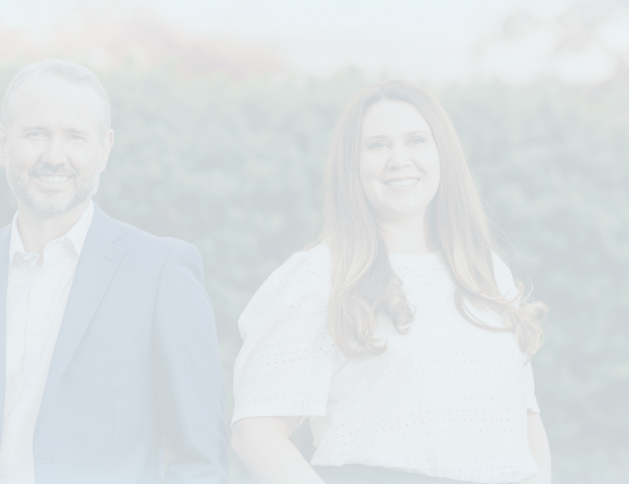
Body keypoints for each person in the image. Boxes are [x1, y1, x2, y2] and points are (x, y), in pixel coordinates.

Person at [0, 59, 230, 484]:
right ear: (2, 142)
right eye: (36, 134)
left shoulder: (161, 273)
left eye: (75, 137)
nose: (54, 156)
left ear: (103, 150)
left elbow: (202, 457)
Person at [229, 80, 553, 484]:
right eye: (377, 145)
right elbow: (255, 433)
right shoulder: (322, 275)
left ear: (442, 154)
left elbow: (525, 417)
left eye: (416, 140)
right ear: (353, 165)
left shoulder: (486, 272)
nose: (399, 159)